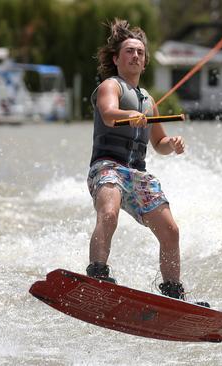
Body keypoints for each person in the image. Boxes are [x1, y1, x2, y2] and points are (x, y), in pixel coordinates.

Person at [86, 19, 192, 301]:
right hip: (107, 167)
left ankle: (172, 291)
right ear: (116, 58)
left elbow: (159, 143)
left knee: (171, 230)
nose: (135, 56)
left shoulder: (149, 100)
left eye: (140, 53)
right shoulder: (112, 86)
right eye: (130, 51)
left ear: (145, 63)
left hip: (138, 175)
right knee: (108, 212)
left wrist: (173, 143)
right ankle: (97, 272)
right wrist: (128, 115)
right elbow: (109, 114)